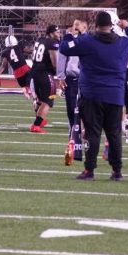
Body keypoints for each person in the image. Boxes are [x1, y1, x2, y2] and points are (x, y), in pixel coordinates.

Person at [59, 11, 128, 181]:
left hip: (91, 95)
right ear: (111, 26)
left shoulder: (87, 41)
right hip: (115, 95)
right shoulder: (123, 43)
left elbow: (64, 48)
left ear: (95, 25)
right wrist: (127, 28)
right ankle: (117, 171)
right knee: (114, 134)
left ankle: (89, 170)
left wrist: (70, 34)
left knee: (92, 133)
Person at [57, 19, 85, 165]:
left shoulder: (88, 40)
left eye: (78, 25)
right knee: (71, 109)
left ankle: (84, 135)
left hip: (87, 79)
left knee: (86, 109)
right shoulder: (68, 42)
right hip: (72, 78)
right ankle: (72, 135)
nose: (76, 28)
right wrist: (61, 76)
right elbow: (62, 56)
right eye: (74, 25)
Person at [30, 25, 61, 133]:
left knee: (41, 100)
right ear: (51, 33)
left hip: (35, 72)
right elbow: (54, 59)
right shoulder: (52, 42)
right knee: (48, 100)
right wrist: (58, 72)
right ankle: (36, 125)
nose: (59, 34)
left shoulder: (40, 40)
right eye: (57, 32)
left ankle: (40, 120)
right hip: (45, 74)